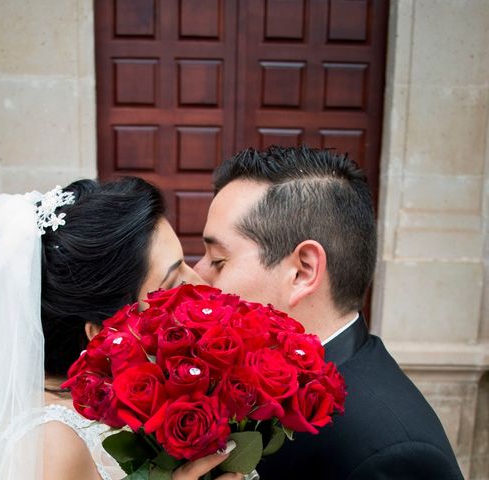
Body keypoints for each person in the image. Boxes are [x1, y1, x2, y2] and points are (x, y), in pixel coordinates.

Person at [0, 177, 241, 480]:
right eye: (174, 281)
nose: (202, 284)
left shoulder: (111, 404)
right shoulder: (51, 443)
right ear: (102, 334)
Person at [194, 146, 464, 479]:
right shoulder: (256, 381)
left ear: (303, 271)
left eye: (218, 260)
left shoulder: (393, 453)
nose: (197, 275)